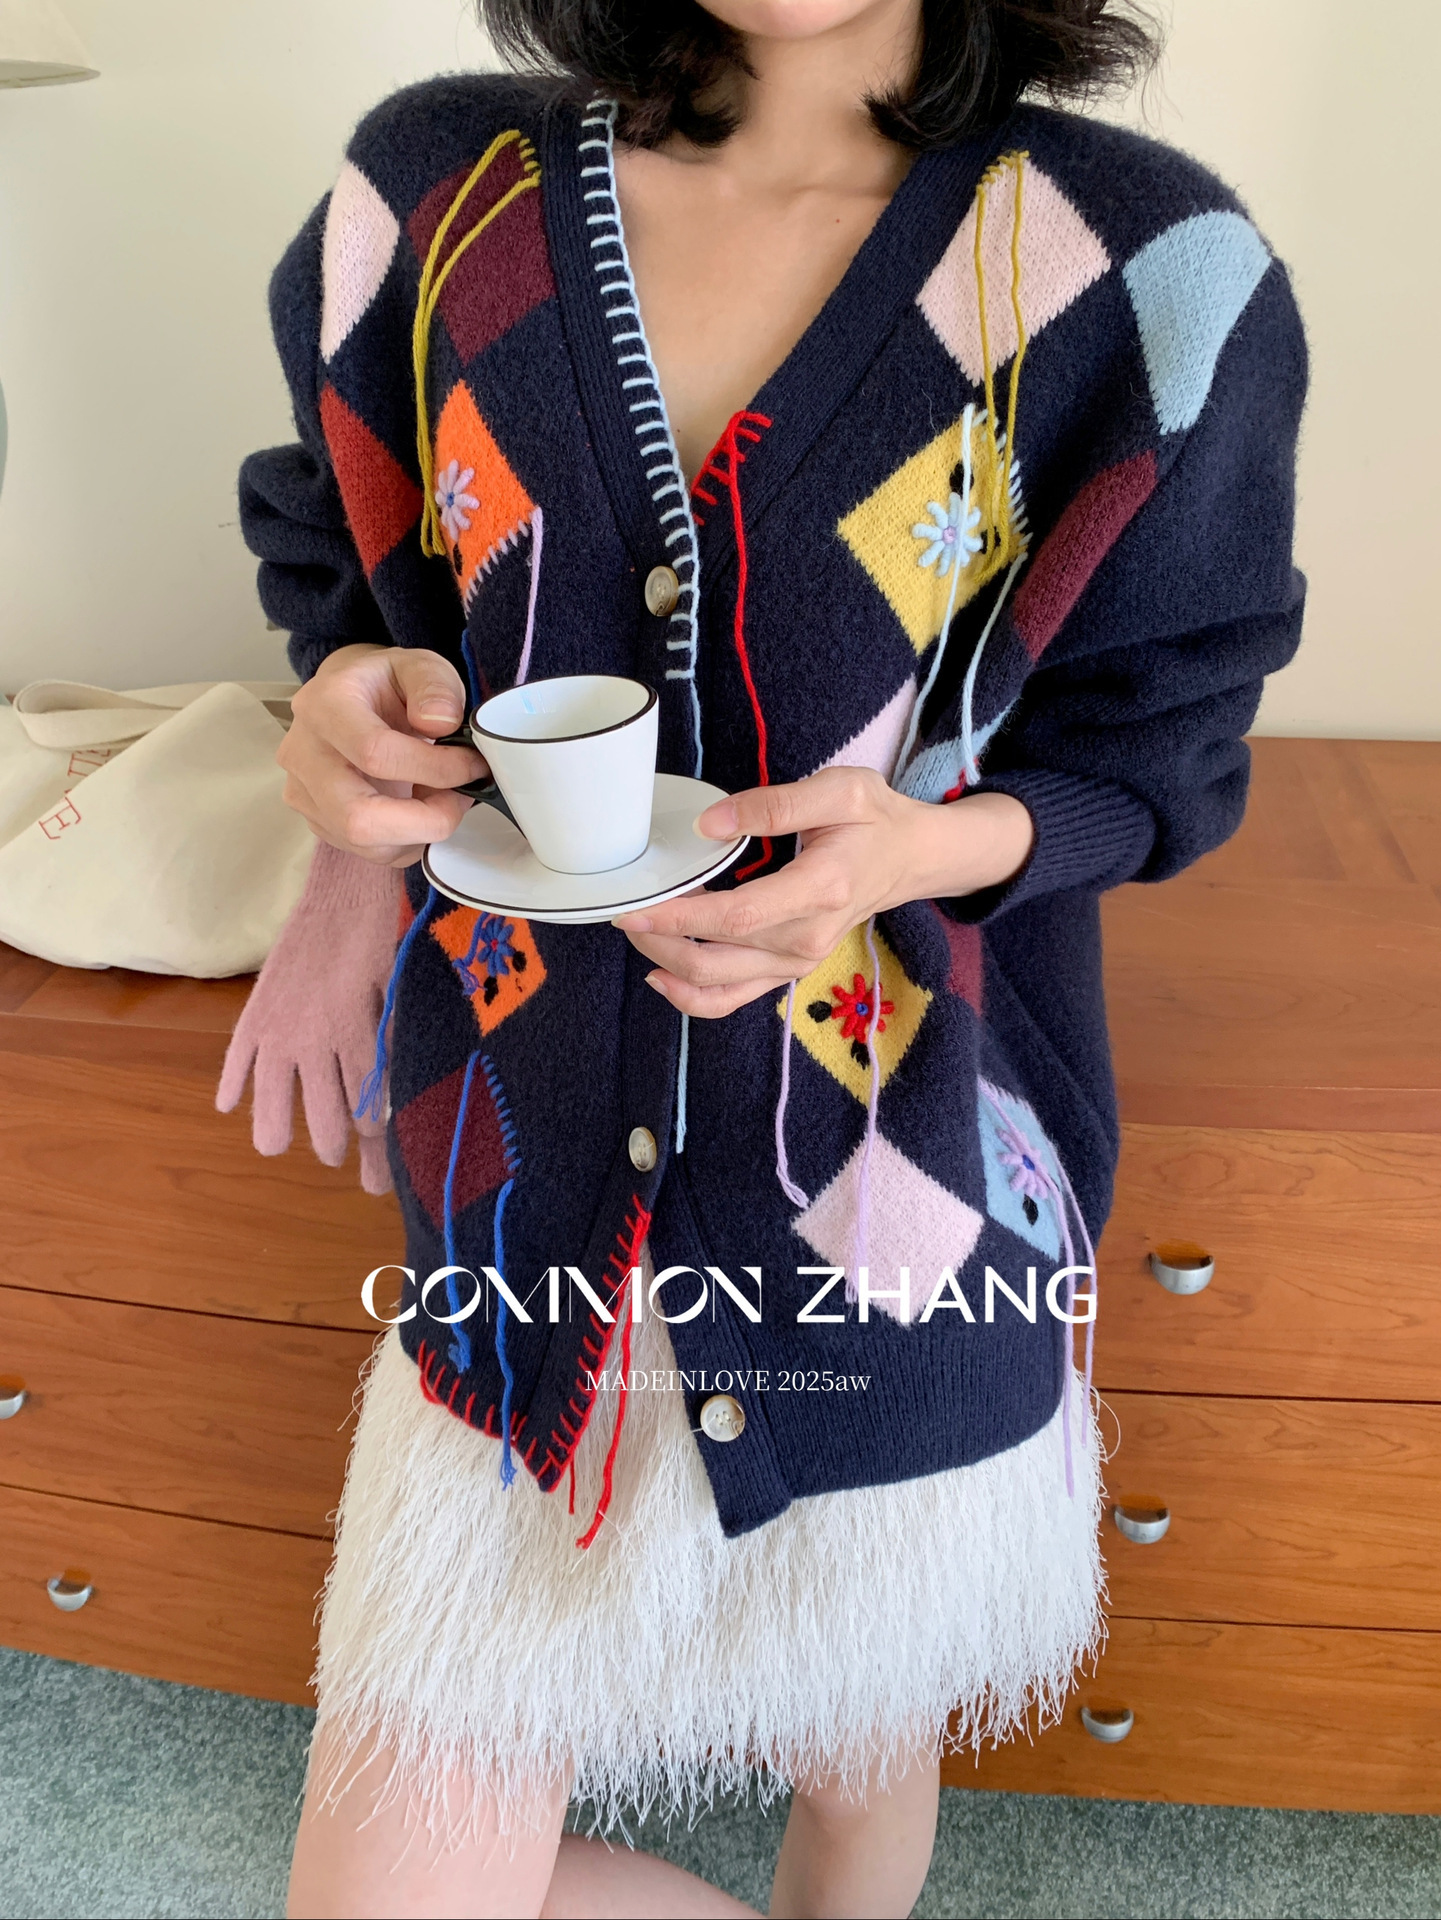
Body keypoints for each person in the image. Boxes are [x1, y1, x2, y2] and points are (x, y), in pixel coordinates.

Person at [227, 0, 1307, 1912]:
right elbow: (351, 569)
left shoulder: (1137, 269)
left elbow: (1161, 749)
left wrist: (917, 850)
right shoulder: (435, 202)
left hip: (902, 1181)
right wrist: (341, 746)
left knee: (855, 1780)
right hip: (526, 1168)